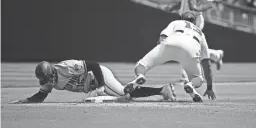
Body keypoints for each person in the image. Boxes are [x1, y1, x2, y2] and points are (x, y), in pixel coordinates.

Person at [124, 12, 216, 102]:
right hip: (191, 49)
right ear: (194, 22)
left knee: (142, 65)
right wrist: (210, 87)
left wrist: (159, 51)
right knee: (198, 79)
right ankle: (191, 85)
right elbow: (206, 62)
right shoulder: (200, 33)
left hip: (171, 43)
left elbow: (163, 36)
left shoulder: (176, 22)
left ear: (182, 18)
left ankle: (140, 76)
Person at [10, 60, 176, 104]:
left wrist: (102, 85)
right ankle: (161, 90)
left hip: (99, 76)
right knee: (124, 93)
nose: (49, 82)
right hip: (93, 84)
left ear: (52, 71)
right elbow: (41, 96)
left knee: (124, 94)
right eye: (46, 80)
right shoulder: (49, 80)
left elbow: (94, 65)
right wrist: (27, 100)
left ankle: (162, 90)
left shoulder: (66, 67)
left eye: (48, 78)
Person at [163, 0, 224, 70]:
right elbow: (182, 1)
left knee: (187, 46)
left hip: (196, 20)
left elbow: (210, 3)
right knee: (192, 47)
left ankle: (185, 76)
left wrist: (197, 8)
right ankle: (216, 55)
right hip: (184, 20)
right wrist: (172, 8)